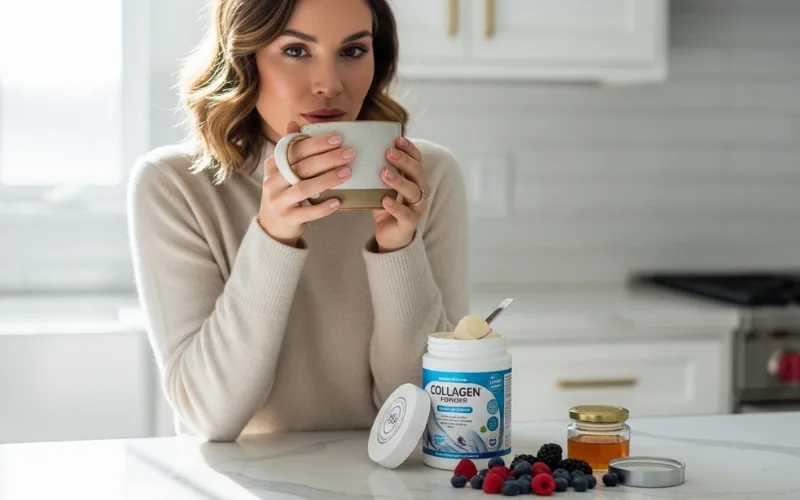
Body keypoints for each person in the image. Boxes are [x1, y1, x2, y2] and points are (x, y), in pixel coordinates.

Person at [127, 0, 469, 442]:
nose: (329, 85)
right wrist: (273, 237)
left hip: (390, 473)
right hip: (248, 477)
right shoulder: (173, 185)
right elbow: (209, 417)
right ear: (243, 59)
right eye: (296, 51)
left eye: (352, 51)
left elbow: (432, 413)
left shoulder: (425, 178)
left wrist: (399, 250)